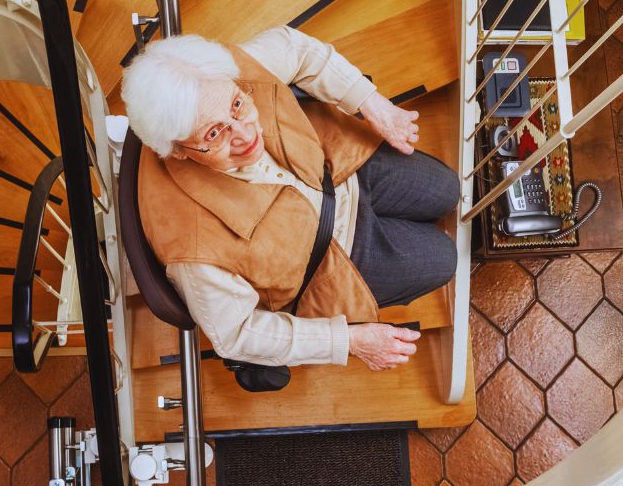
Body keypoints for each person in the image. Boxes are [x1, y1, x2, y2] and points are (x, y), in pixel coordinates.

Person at [121, 27, 459, 372]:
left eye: (238, 105)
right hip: (328, 259)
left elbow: (298, 50)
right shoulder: (192, 249)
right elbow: (236, 334)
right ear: (178, 151)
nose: (245, 135)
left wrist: (375, 107)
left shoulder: (214, 74)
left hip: (334, 162)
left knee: (448, 189)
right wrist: (350, 341)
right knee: (444, 259)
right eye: (214, 133)